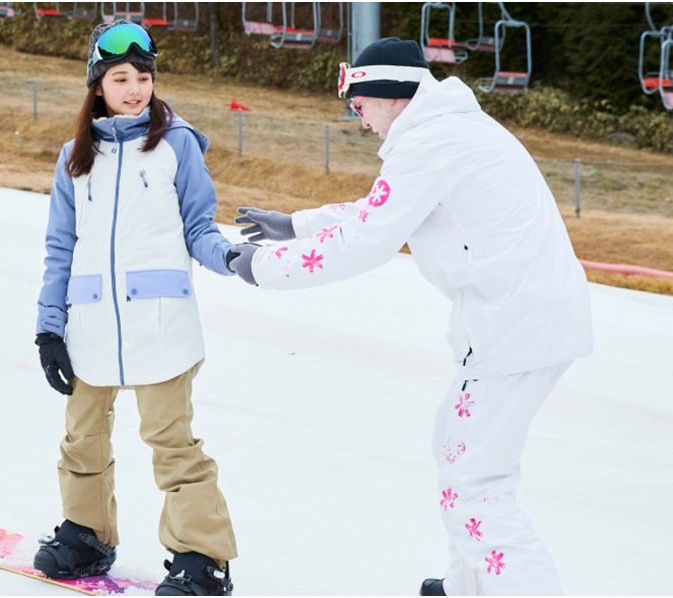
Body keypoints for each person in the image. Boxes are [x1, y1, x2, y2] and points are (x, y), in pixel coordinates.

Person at [229, 37, 593, 596]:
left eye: (359, 104)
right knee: (458, 449)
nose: (359, 118)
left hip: (513, 328)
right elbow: (385, 209)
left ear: (389, 94)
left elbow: (370, 238)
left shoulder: (431, 141)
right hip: (522, 321)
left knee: (475, 482)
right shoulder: (445, 132)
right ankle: (466, 583)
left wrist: (265, 267)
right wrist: (297, 225)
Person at [34, 20, 240, 596]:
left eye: (142, 77)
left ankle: (203, 558)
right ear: (97, 86)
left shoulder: (176, 145)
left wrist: (232, 257)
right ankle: (86, 536)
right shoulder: (75, 156)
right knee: (81, 440)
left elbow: (200, 226)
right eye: (120, 77)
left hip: (161, 325)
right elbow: (60, 247)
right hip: (90, 324)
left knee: (172, 444)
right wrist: (49, 328)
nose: (133, 88)